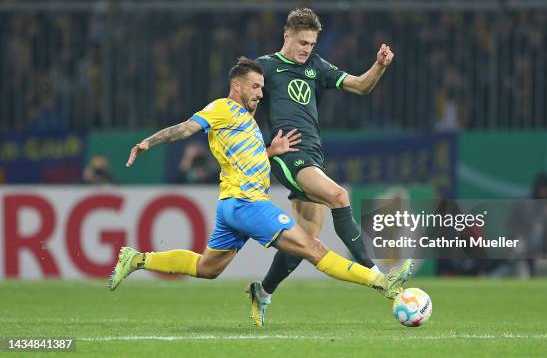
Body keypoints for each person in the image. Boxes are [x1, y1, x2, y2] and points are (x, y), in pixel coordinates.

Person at [108, 58, 413, 325]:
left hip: (231, 205)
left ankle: (136, 259)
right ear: (236, 85)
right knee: (313, 248)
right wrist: (149, 141)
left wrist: (271, 150)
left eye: (262, 87)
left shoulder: (244, 119)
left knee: (207, 267)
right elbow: (186, 128)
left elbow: (241, 157)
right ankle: (381, 281)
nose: (260, 93)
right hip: (248, 204)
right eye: (255, 86)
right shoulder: (222, 108)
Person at [249, 7, 395, 325]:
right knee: (340, 196)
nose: (307, 49)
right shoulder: (263, 67)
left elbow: (360, 85)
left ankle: (262, 291)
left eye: (312, 44)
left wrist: (379, 67)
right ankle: (376, 275)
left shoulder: (316, 66)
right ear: (286, 35)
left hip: (314, 157)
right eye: (302, 42)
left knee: (306, 241)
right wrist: (265, 149)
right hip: (289, 157)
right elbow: (238, 115)